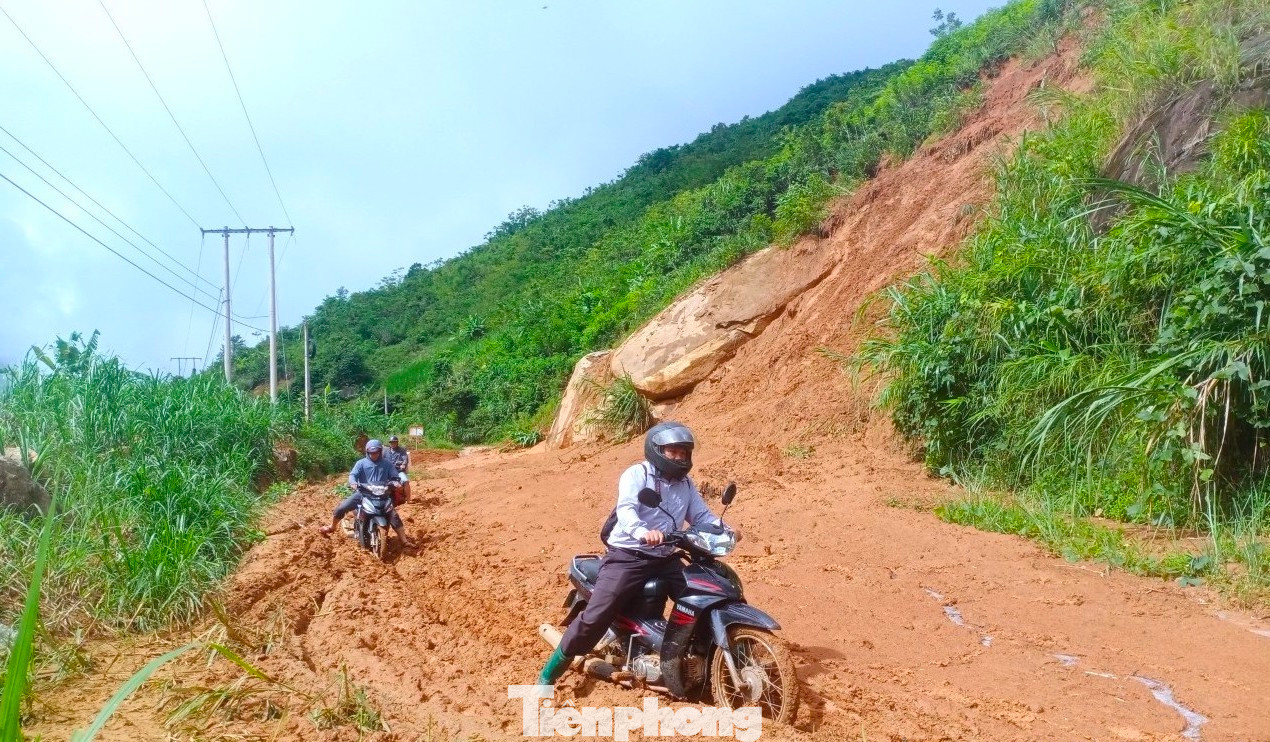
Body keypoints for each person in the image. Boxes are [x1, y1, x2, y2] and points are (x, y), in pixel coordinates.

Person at [536, 421, 737, 687]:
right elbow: (627, 510)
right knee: (596, 616)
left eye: (683, 452)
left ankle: (700, 655)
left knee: (702, 595)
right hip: (629, 556)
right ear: (657, 451)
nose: (679, 457)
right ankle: (548, 675)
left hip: (665, 556)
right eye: (673, 451)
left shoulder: (685, 484)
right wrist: (643, 532)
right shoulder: (637, 475)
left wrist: (725, 530)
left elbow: (701, 516)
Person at [319, 439, 416, 548]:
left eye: (376, 452)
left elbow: (395, 476)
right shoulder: (361, 463)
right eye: (371, 453)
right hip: (363, 493)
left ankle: (404, 541)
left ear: (380, 451)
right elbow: (353, 475)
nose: (374, 455)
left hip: (382, 494)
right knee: (342, 507)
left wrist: (396, 482)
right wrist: (353, 482)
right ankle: (332, 527)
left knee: (393, 515)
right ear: (367, 452)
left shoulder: (387, 464)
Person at [386, 435, 412, 503]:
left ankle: (408, 499)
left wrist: (403, 464)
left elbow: (405, 459)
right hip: (388, 472)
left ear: (397, 443)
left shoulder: (401, 450)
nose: (393, 444)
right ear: (389, 443)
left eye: (394, 442)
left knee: (406, 481)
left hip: (398, 471)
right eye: (391, 442)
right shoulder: (386, 451)